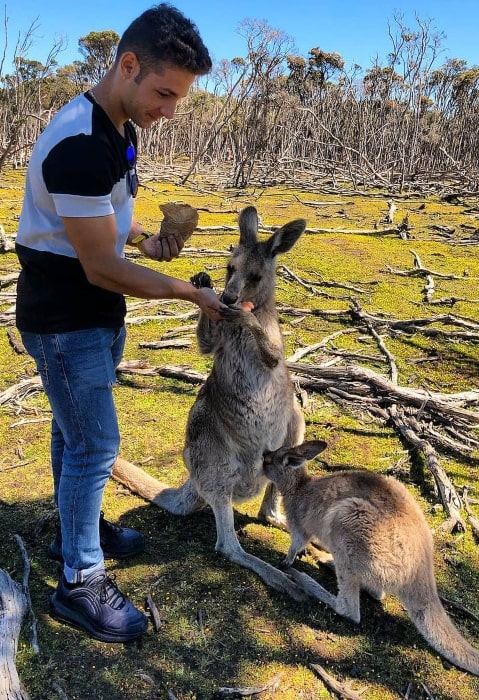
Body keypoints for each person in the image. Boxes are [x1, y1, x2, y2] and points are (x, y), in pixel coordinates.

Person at [15, 3, 224, 643]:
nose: (168, 109)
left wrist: (149, 239)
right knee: (96, 445)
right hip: (65, 318)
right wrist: (187, 293)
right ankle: (80, 581)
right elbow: (102, 267)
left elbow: (110, 215)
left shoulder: (119, 128)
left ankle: (79, 526)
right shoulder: (79, 143)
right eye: (164, 92)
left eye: (179, 99)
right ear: (127, 65)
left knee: (72, 430)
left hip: (94, 312)